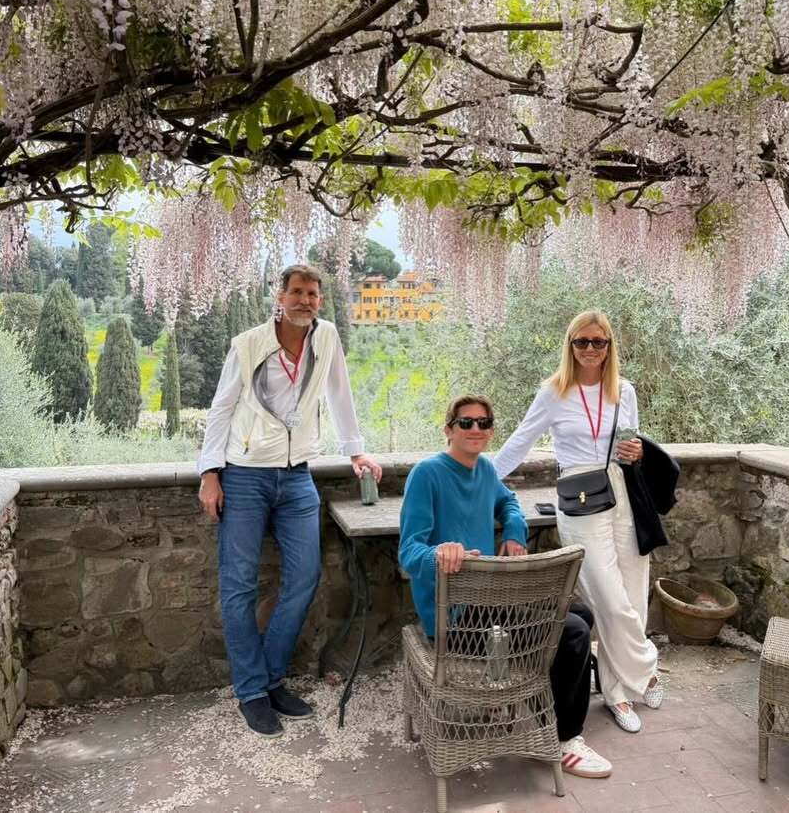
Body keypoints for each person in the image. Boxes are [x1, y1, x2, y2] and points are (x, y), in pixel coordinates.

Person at [198, 264, 382, 738]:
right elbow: (221, 409)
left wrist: (355, 451)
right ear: (279, 297)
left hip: (298, 475)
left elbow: (340, 394)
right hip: (244, 475)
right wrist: (210, 473)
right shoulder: (248, 344)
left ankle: (271, 678)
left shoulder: (327, 337)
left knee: (304, 577)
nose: (306, 300)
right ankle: (252, 692)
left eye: (313, 294)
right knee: (238, 585)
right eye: (297, 292)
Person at [398, 395, 612, 779]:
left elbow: (509, 502)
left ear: (491, 431)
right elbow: (409, 551)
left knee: (582, 612)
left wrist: (514, 531)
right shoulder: (427, 474)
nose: (475, 429)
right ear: (449, 430)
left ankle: (521, 696)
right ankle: (564, 738)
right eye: (466, 422)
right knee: (573, 632)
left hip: (489, 602)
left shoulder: (484, 469)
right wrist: (439, 553)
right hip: (456, 618)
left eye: (483, 423)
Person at [491, 310, 662, 734]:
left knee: (632, 594)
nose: (589, 349)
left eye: (597, 342)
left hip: (623, 494)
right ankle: (647, 668)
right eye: (581, 341)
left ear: (609, 347)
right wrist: (475, 478)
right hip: (579, 498)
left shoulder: (624, 390)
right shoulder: (554, 391)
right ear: (570, 345)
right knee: (609, 599)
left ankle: (618, 692)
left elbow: (631, 442)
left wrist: (637, 451)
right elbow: (520, 442)